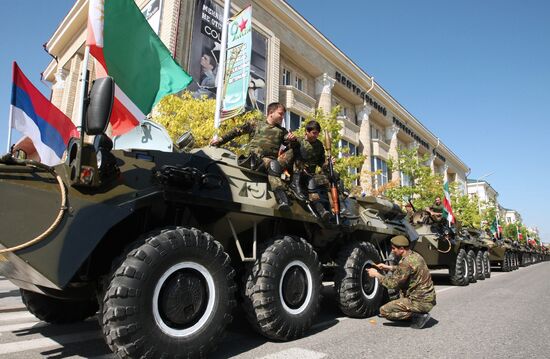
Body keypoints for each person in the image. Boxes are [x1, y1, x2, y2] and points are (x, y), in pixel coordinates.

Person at [210, 102, 296, 210]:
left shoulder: (282, 131)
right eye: (280, 114)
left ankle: (294, 183)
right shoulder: (255, 124)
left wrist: (293, 140)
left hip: (272, 163)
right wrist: (220, 140)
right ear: (271, 112)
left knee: (294, 150)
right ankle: (282, 200)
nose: (282, 117)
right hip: (254, 160)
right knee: (273, 165)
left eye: (283, 114)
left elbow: (289, 146)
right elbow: (236, 131)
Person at [367, 235, 436, 329]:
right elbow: (405, 270)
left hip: (419, 302)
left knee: (384, 311)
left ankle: (418, 316)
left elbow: (392, 284)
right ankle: (416, 313)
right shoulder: (415, 256)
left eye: (394, 248)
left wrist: (376, 275)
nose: (392, 251)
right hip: (428, 299)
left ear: (402, 249)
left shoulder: (406, 263)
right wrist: (388, 267)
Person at [289, 120, 331, 221]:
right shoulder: (298, 142)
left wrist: (327, 163)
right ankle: (296, 187)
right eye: (314, 133)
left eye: (317, 133)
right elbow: (290, 155)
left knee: (317, 186)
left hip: (310, 176)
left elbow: (321, 163)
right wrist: (290, 140)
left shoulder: (319, 145)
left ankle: (323, 210)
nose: (316, 135)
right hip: (297, 173)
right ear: (307, 132)